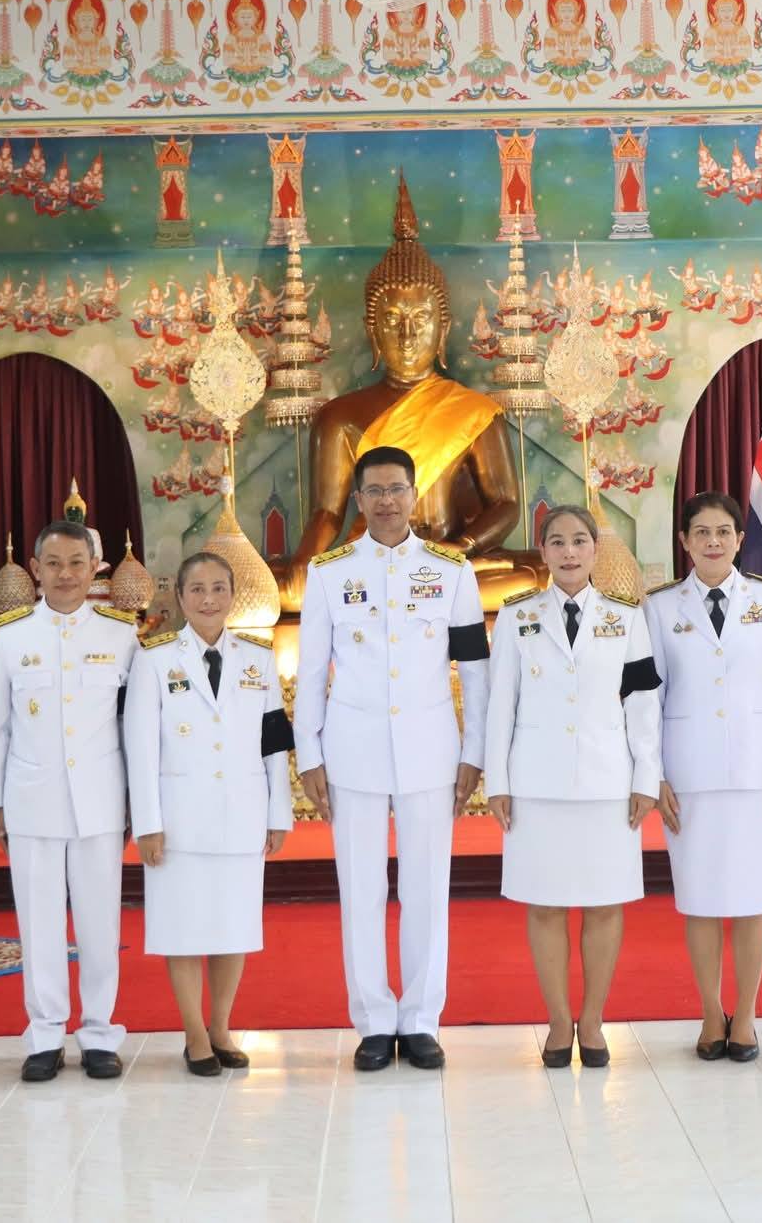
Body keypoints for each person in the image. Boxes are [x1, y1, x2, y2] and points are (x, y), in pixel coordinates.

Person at [294, 445, 490, 1072]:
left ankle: (421, 1019)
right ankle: (375, 1021)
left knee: (428, 888)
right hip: (351, 750)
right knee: (361, 888)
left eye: (396, 489)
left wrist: (474, 750)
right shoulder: (329, 572)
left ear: (414, 494)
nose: (385, 501)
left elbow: (474, 669)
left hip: (431, 750)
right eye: (373, 491)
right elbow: (311, 669)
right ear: (358, 501)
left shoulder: (452, 571)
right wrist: (308, 754)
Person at [484, 506, 664, 1069]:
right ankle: (559, 1020)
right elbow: (500, 704)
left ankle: (593, 1019)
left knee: (606, 904)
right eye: (557, 542)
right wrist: (498, 779)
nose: (568, 552)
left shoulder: (626, 617)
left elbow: (643, 704)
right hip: (536, 781)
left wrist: (645, 776)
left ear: (594, 550)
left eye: (579, 541)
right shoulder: (517, 617)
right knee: (545, 905)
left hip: (607, 780)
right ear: (542, 552)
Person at [644, 492, 762, 1063]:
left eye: (724, 531)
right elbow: (650, 697)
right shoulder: (660, 607)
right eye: (701, 532)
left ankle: (749, 1016)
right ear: (684, 541)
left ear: (740, 539)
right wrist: (652, 772)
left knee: (753, 899)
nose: (713, 541)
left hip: (757, 772)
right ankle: (712, 1013)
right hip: (688, 774)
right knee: (701, 900)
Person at [0, 520, 139, 1082]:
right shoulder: (8, 635)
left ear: (96, 564)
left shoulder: (122, 635)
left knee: (100, 924)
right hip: (31, 800)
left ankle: (99, 1032)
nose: (66, 574)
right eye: (54, 563)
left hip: (99, 800)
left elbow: (133, 729)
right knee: (39, 924)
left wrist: (136, 805)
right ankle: (44, 1034)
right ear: (36, 567)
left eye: (76, 562)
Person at [126, 553, 295, 1077]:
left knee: (232, 927)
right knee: (183, 929)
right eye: (196, 589)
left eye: (218, 589)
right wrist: (148, 822)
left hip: (241, 813)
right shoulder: (153, 659)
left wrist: (279, 811)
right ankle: (194, 1033)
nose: (208, 599)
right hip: (178, 820)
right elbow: (141, 747)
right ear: (178, 596)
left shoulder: (258, 659)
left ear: (231, 595)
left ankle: (221, 1026)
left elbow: (273, 742)